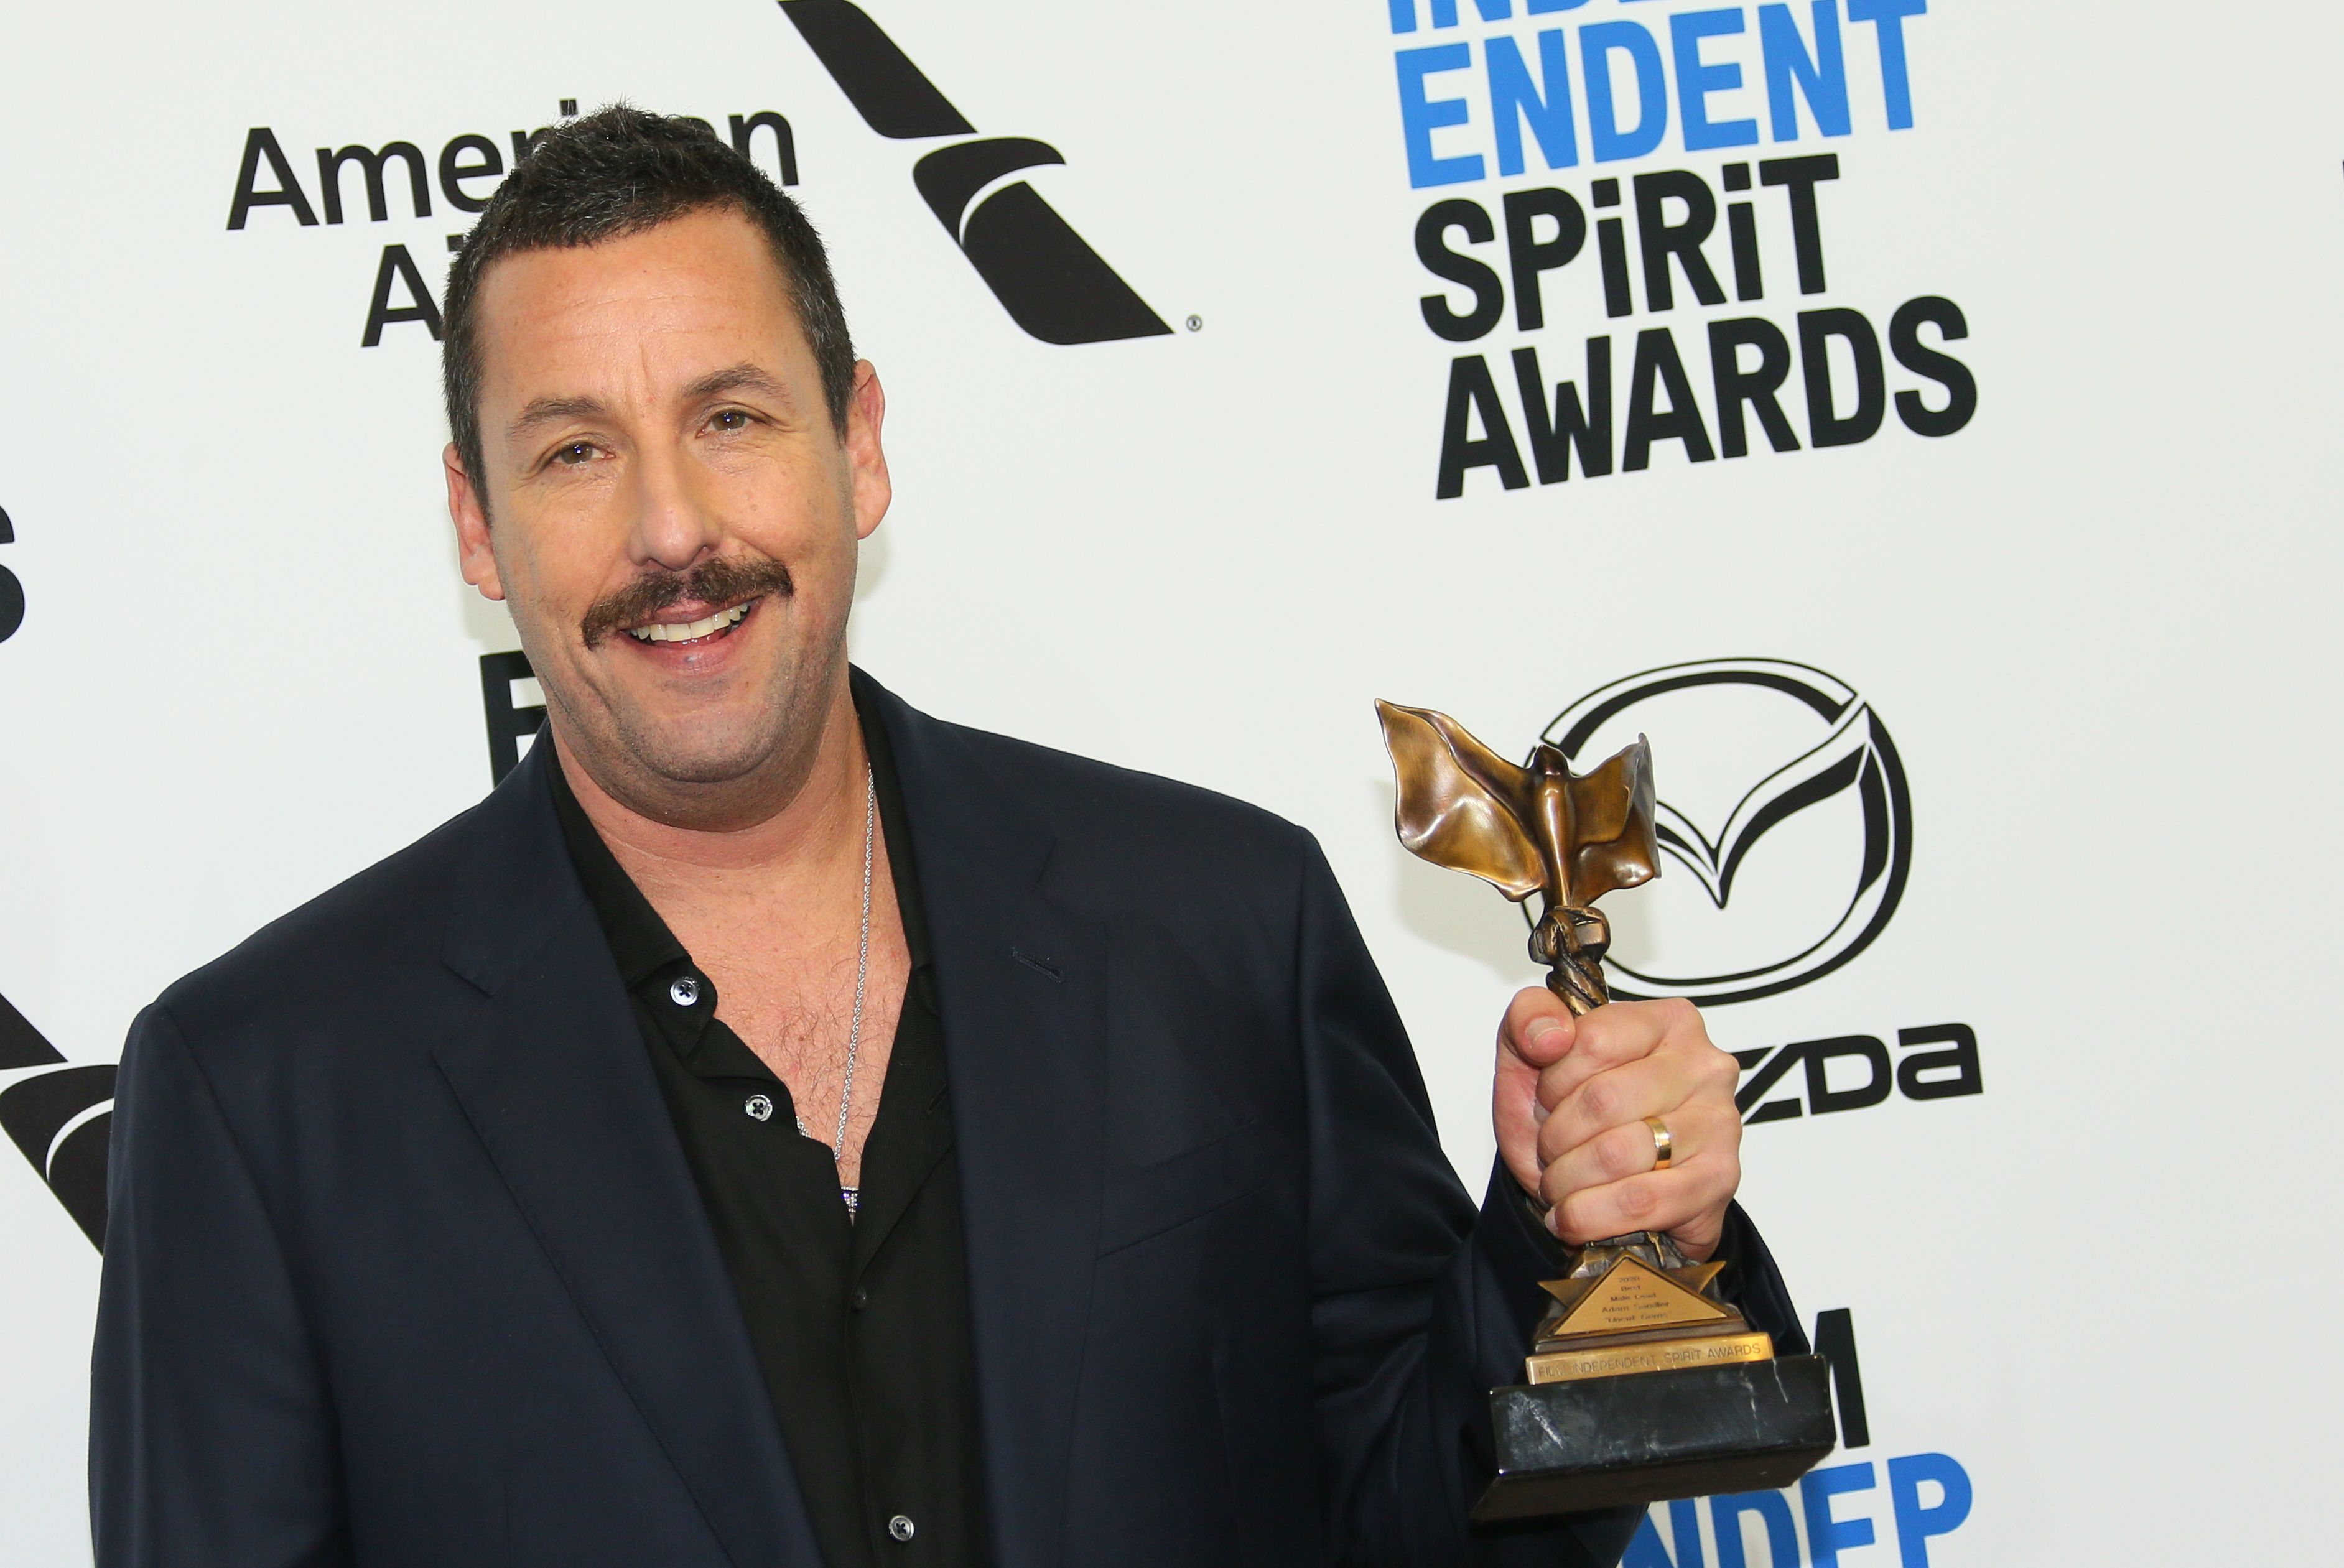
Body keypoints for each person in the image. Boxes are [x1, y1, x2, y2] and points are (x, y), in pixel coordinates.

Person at [89, 107, 1800, 1568]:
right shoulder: (266, 1098)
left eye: (732, 417)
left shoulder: (1219, 927)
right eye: (573, 451)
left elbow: (1418, 1516)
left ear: (862, 444)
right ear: (477, 524)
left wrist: (1593, 1239)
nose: (673, 529)